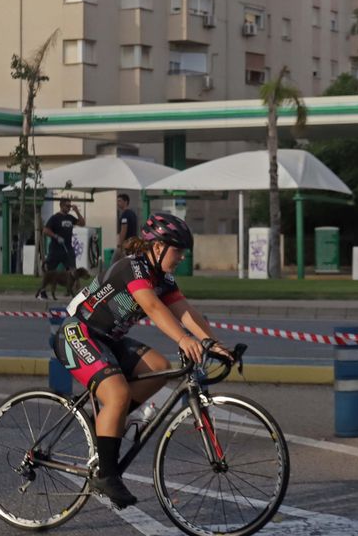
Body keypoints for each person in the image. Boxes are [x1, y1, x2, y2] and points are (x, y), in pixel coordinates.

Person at [53, 212, 228, 509]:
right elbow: (152, 306)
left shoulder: (163, 277)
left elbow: (184, 311)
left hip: (108, 339)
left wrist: (215, 344)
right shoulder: (131, 268)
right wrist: (184, 340)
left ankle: (108, 422)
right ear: (157, 247)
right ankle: (107, 475)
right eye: (178, 251)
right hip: (78, 333)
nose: (182, 257)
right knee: (118, 393)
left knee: (159, 368)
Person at [36, 201, 84, 300]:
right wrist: (56, 236)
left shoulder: (70, 218)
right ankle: (42, 292)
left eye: (70, 206)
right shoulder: (55, 218)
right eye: (67, 206)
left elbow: (82, 223)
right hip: (55, 249)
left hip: (67, 248)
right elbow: (45, 230)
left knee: (72, 270)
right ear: (61, 206)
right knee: (49, 271)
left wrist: (77, 212)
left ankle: (72, 291)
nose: (69, 208)